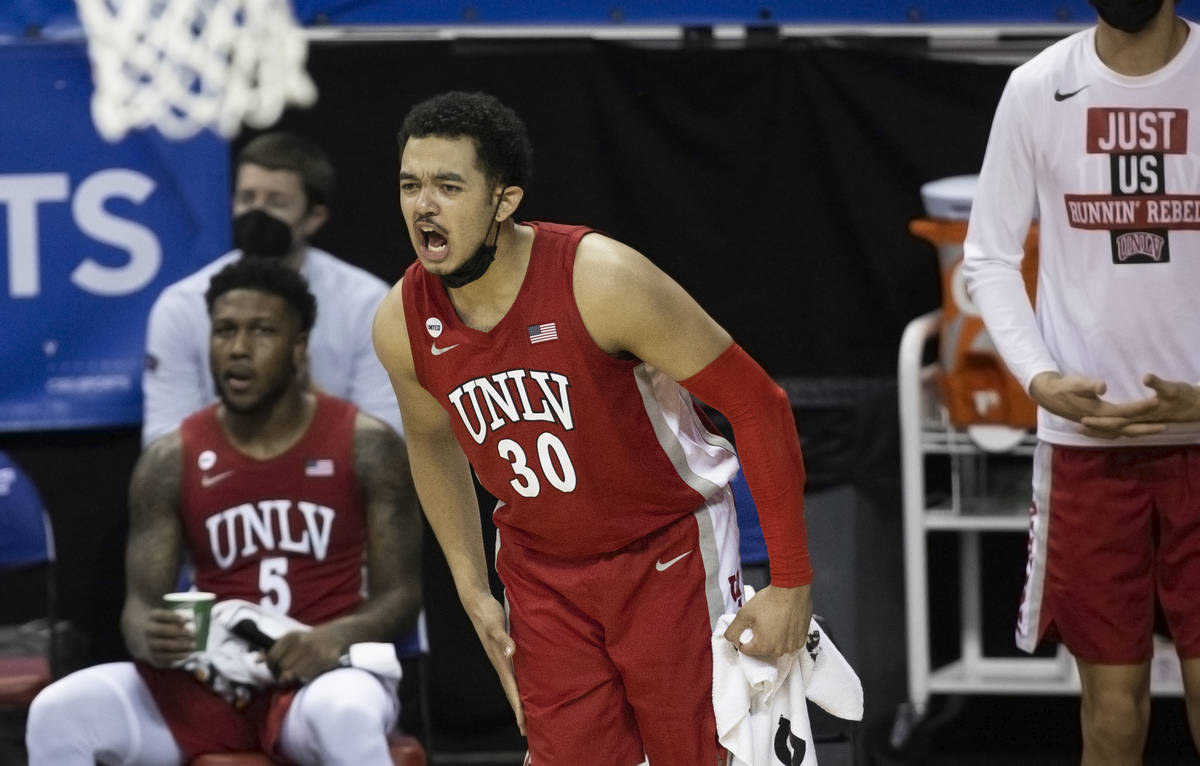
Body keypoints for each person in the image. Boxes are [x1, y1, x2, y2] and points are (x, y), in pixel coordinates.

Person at [372, 90, 814, 764]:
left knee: (697, 754)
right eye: (410, 184)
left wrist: (791, 583)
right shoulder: (401, 321)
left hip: (664, 551)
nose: (423, 204)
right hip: (541, 575)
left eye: (448, 186)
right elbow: (433, 443)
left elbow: (759, 405)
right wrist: (470, 589)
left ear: (504, 200)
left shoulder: (600, 279)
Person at [27, 258, 421, 765]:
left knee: (347, 713)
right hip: (209, 681)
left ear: (299, 347)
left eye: (261, 332)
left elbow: (401, 595)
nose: (237, 348)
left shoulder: (366, 445)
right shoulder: (171, 459)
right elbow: (139, 607)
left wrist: (332, 638)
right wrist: (151, 633)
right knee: (56, 712)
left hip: (319, 679)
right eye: (224, 331)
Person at [963, 2, 1200, 762]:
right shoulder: (1039, 87)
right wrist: (1038, 378)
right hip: (1087, 453)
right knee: (1110, 714)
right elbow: (988, 257)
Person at [142, 131, 403, 446]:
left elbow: (389, 440)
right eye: (247, 198)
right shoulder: (181, 306)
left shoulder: (368, 303)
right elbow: (162, 443)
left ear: (314, 217)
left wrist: (308, 398)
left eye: (276, 202)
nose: (258, 213)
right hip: (218, 482)